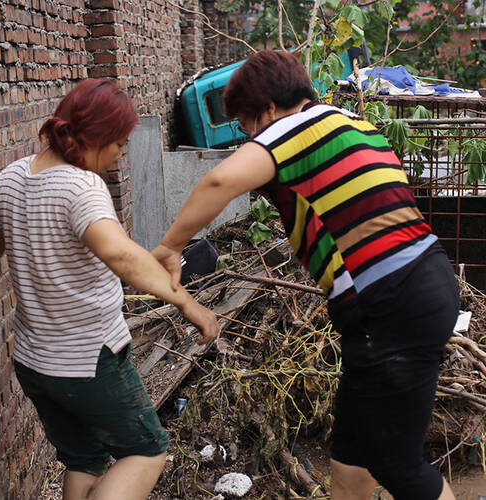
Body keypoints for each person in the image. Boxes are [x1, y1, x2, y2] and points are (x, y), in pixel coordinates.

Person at [152, 50, 459, 500]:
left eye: (245, 122)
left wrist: (170, 245)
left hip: (389, 301)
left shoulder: (290, 129)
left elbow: (220, 182)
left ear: (271, 109)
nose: (245, 135)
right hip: (418, 285)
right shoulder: (348, 123)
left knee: (397, 463)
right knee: (350, 458)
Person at [0, 79, 220, 500]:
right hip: (89, 360)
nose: (119, 155)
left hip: (35, 363)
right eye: (120, 144)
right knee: (147, 451)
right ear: (99, 137)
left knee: (84, 458)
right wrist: (188, 304)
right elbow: (121, 257)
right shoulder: (81, 187)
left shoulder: (11, 177)